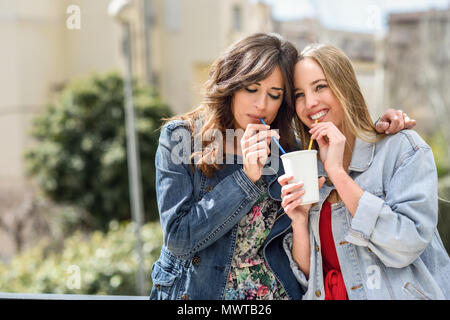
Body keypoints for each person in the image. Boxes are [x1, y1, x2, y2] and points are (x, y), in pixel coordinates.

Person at [149, 33, 415, 300]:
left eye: (274, 95)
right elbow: (179, 240)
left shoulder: (290, 148)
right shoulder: (182, 139)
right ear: (231, 82)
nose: (261, 105)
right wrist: (246, 178)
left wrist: (380, 126)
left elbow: (340, 138)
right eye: (251, 89)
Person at [279, 43, 450, 300]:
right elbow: (309, 273)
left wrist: (337, 173)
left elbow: (406, 243)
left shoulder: (402, 150)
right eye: (299, 94)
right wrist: (300, 223)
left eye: (320, 86)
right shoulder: (307, 166)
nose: (310, 103)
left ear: (344, 87)